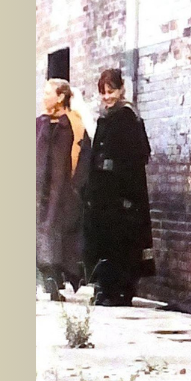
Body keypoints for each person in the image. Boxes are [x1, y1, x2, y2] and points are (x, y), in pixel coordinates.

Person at [83, 67, 155, 306]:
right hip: (104, 193)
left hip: (123, 193)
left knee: (123, 242)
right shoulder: (104, 118)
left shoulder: (127, 117)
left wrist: (126, 191)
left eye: (111, 91)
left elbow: (139, 155)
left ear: (121, 89)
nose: (107, 97)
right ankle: (105, 288)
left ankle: (121, 290)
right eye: (103, 92)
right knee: (105, 241)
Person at [36, 78, 91, 297]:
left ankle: (56, 280)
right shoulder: (39, 123)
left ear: (61, 97)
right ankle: (47, 280)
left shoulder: (74, 125)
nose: (44, 97)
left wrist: (75, 188)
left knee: (60, 237)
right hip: (39, 193)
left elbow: (84, 157)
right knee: (41, 235)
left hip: (63, 194)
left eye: (48, 93)